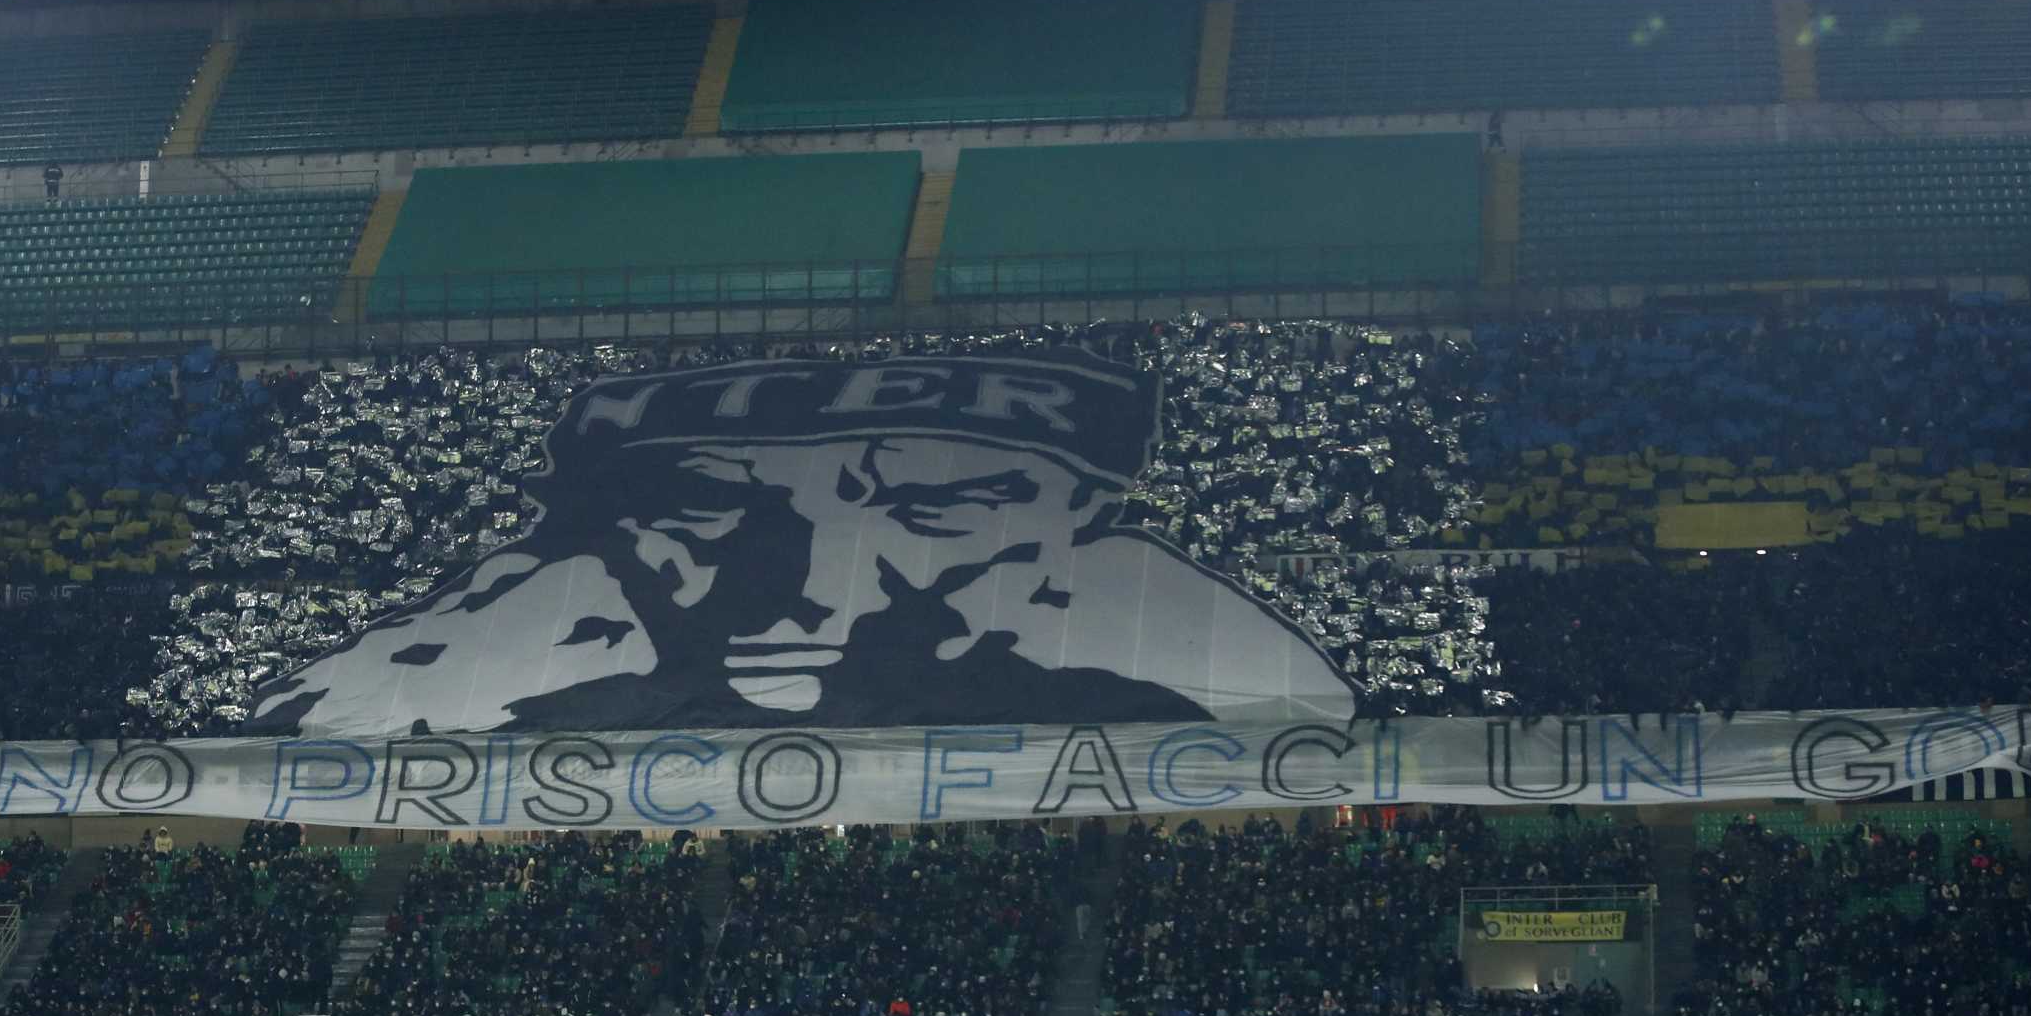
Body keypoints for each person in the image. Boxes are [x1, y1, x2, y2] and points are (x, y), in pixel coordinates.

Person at [249, 354, 1358, 735]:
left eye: (928, 516)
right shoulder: (514, 632)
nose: (807, 601)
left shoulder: (1153, 639)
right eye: (709, 517)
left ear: (1076, 541)